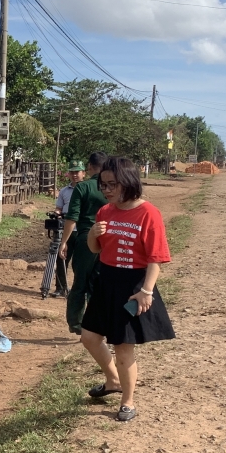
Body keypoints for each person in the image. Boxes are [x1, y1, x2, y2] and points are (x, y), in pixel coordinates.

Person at [81, 156, 175, 422]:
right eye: (103, 185)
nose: (107, 190)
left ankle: (128, 401)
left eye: (113, 184)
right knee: (89, 337)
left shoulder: (149, 213)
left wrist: (146, 291)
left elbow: (156, 258)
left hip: (133, 284)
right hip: (106, 280)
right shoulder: (105, 211)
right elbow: (95, 249)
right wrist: (92, 233)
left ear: (128, 182)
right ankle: (112, 380)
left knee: (123, 346)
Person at [59, 151, 108, 334]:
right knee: (98, 282)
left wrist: (64, 242)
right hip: (107, 240)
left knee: (80, 282)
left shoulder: (82, 187)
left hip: (86, 239)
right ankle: (97, 322)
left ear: (89, 167)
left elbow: (72, 218)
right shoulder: (112, 187)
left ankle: (76, 323)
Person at [51, 162, 86, 298]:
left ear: (84, 173)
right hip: (66, 229)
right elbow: (59, 207)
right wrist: (57, 213)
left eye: (77, 172)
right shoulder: (64, 191)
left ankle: (78, 289)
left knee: (80, 262)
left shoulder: (86, 189)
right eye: (72, 172)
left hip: (81, 230)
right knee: (61, 258)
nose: (75, 175)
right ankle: (61, 288)